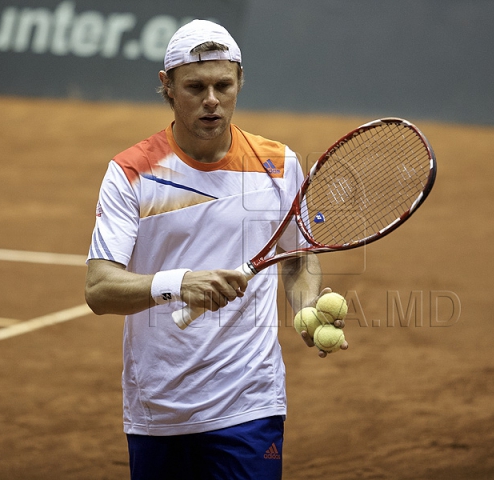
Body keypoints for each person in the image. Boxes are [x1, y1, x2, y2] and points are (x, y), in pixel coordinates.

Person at [84, 19, 346, 479]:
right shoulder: (131, 172)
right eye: (195, 87)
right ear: (166, 86)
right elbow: (100, 289)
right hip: (159, 407)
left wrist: (306, 307)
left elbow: (298, 258)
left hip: (249, 401)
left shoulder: (278, 165)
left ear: (240, 81)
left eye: (223, 85)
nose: (211, 100)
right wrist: (179, 284)